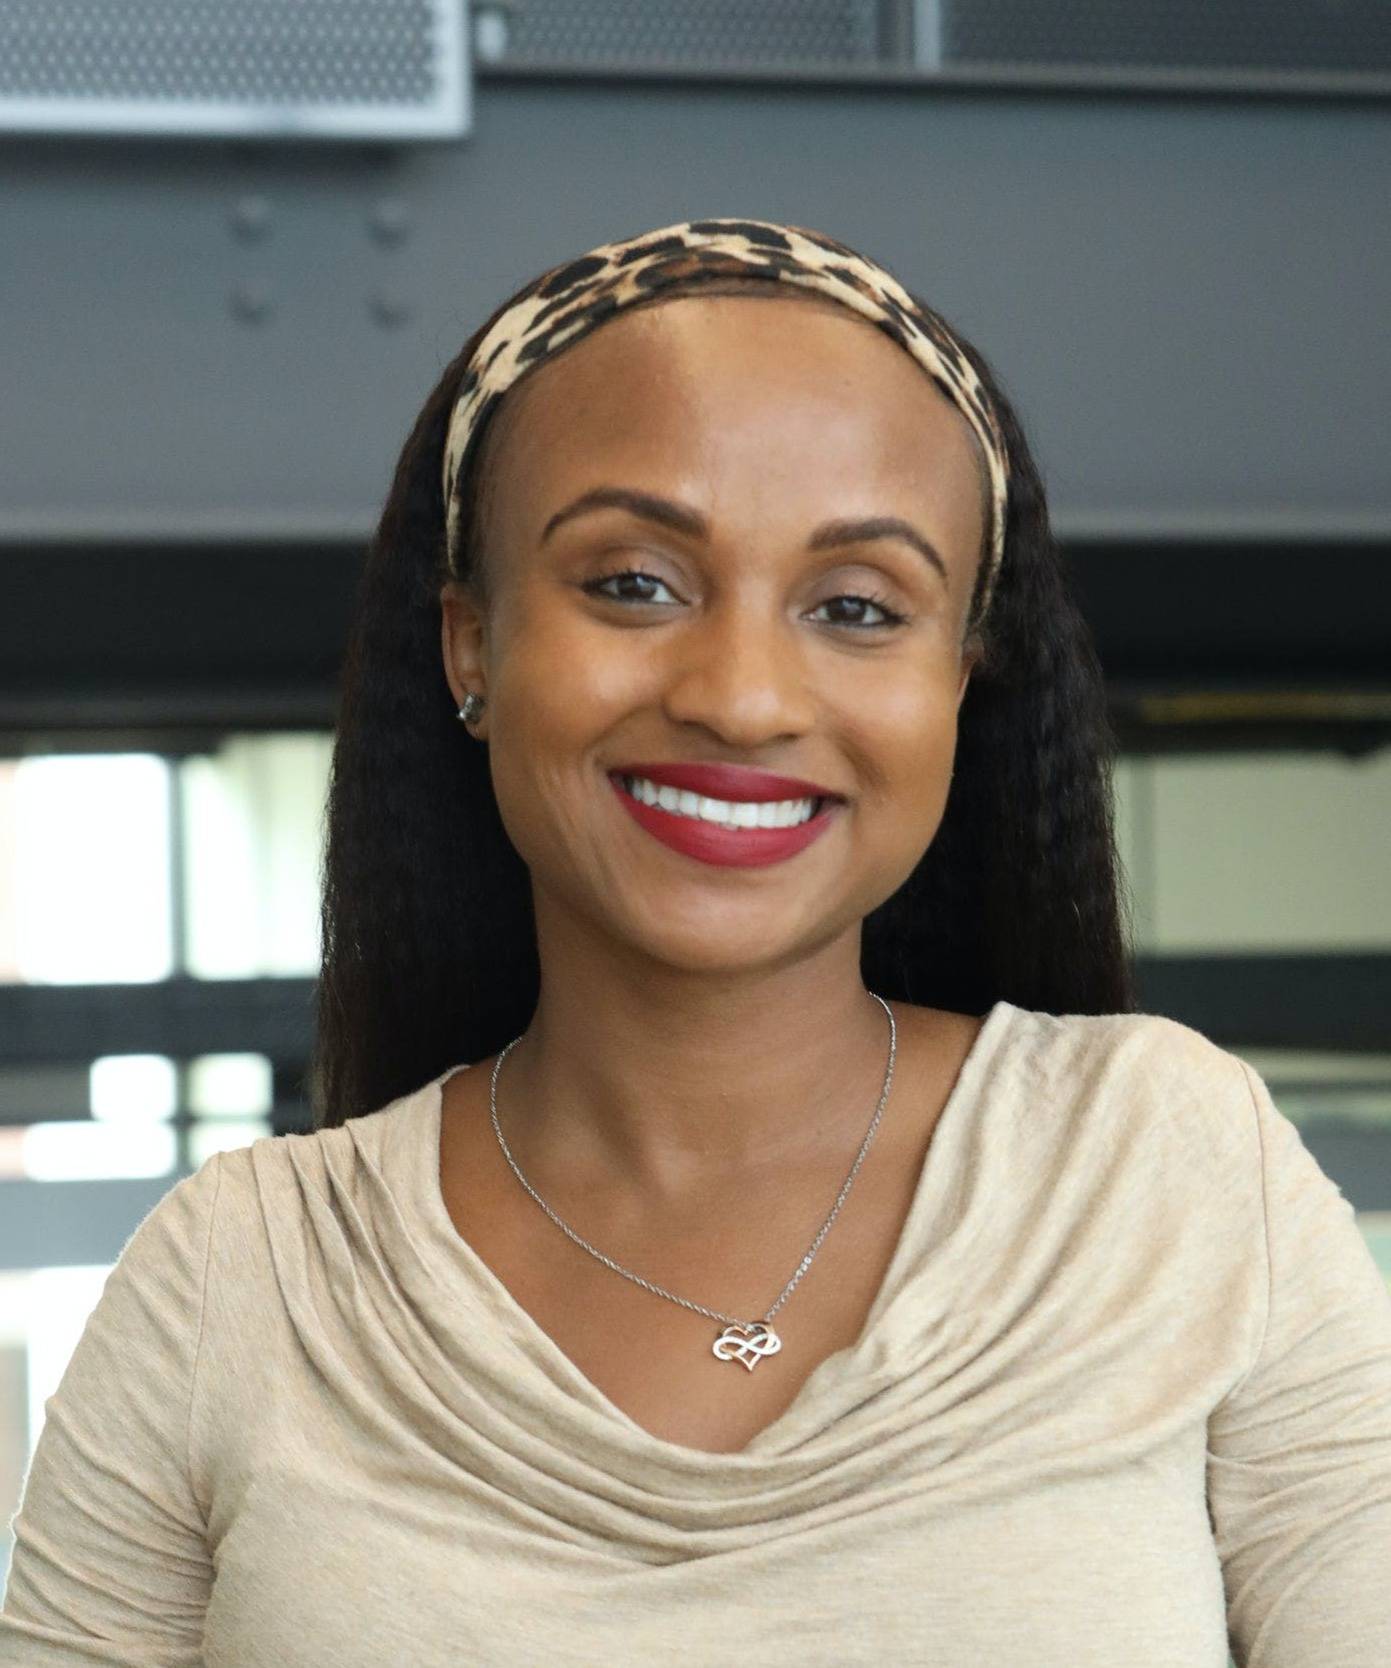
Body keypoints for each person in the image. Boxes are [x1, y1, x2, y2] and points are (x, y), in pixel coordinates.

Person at [2, 218, 1388, 1666]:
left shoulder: (1169, 1165)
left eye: (856, 607)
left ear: (959, 683)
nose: (739, 697)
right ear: (472, 643)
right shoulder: (243, 1278)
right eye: (634, 585)